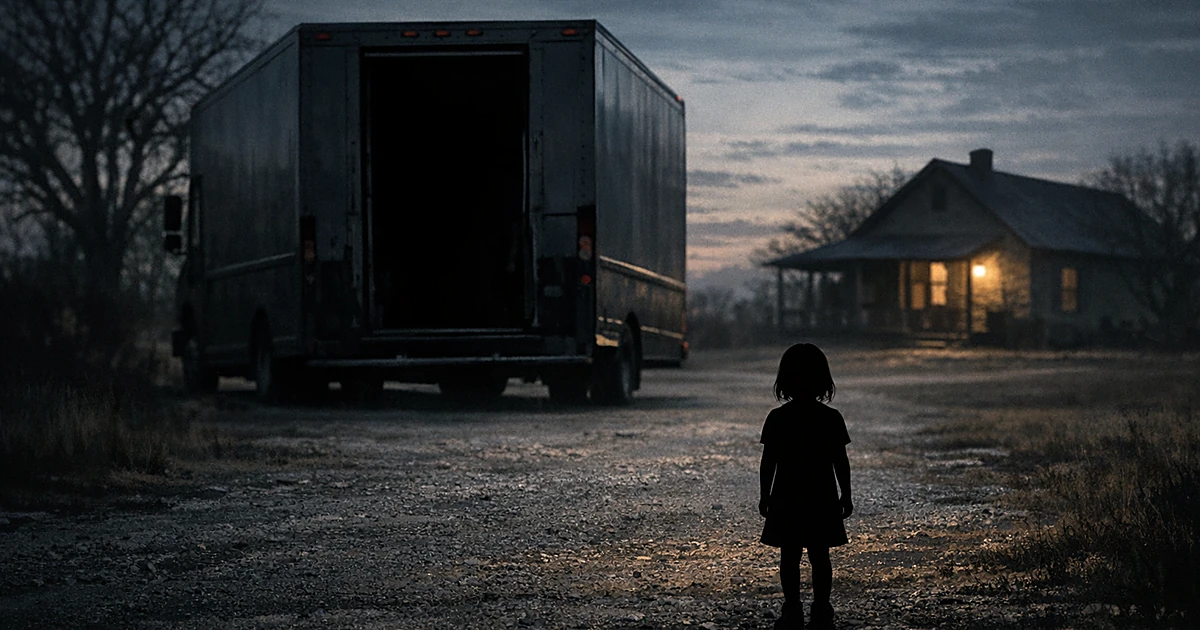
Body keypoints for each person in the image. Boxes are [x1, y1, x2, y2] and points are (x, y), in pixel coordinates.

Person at [758, 343, 853, 629]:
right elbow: (841, 461)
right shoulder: (831, 418)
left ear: (784, 380)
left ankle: (793, 610)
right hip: (821, 497)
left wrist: (765, 496)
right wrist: (846, 495)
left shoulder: (777, 418)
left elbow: (768, 462)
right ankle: (822, 610)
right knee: (820, 556)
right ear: (823, 380)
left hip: (787, 497)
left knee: (789, 556)